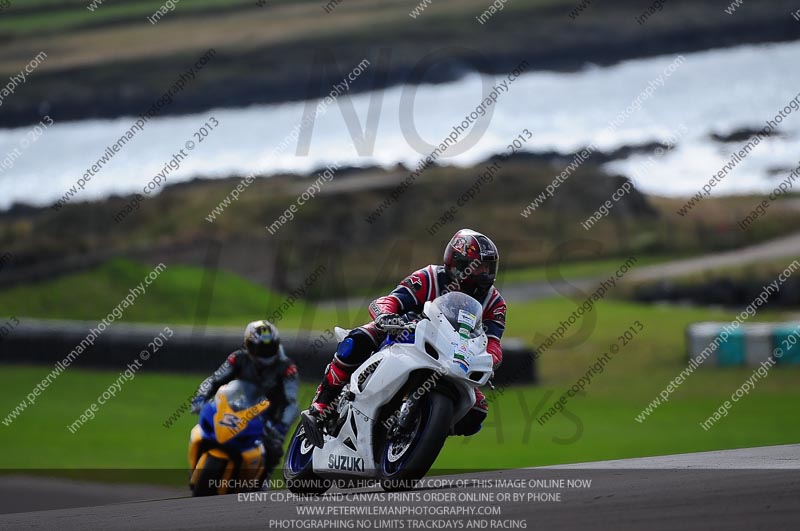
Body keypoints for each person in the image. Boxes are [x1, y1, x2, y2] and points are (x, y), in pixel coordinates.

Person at [303, 228, 506, 440]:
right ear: (458, 262)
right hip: (406, 334)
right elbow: (389, 301)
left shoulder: (495, 303)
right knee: (357, 340)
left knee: (478, 410)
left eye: (488, 267)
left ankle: (422, 429)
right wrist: (386, 317)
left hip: (453, 355)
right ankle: (323, 402)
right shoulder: (428, 277)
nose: (485, 274)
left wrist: (490, 360)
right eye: (479, 267)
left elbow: (493, 341)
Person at [191, 320, 299, 483]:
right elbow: (215, 380)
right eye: (261, 348)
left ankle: (261, 482)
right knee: (204, 429)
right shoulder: (238, 358)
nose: (265, 353)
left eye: (269, 348)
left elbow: (292, 403)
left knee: (273, 450)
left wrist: (281, 426)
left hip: (269, 418)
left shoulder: (287, 368)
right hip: (239, 408)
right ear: (248, 345)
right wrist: (201, 397)